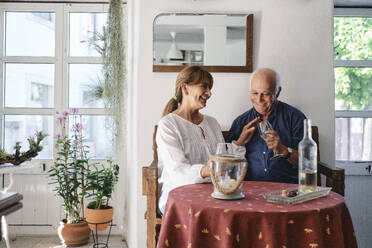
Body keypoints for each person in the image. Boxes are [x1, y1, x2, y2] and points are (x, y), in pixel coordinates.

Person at [157, 66, 248, 213]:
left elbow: (222, 159)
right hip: (180, 198)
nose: (209, 93)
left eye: (210, 88)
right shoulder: (168, 124)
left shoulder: (212, 123)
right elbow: (178, 172)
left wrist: (240, 142)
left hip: (213, 195)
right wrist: (207, 170)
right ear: (185, 88)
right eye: (204, 87)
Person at [226, 68, 306, 184]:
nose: (259, 99)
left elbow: (308, 162)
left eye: (266, 94)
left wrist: (284, 150)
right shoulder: (240, 122)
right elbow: (227, 167)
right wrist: (239, 143)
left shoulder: (295, 118)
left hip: (288, 191)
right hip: (250, 193)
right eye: (254, 93)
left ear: (277, 92)